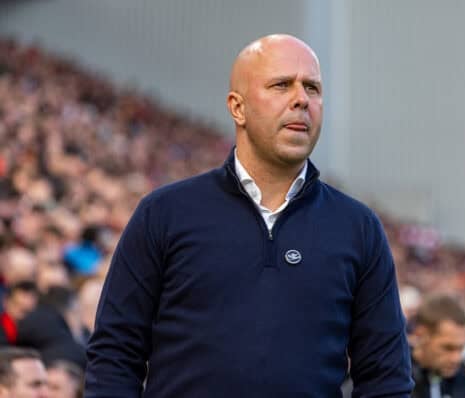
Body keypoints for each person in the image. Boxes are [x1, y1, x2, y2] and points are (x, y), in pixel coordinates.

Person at [85, 33, 414, 397]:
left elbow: (386, 378)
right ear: (237, 107)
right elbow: (115, 353)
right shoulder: (164, 214)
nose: (301, 99)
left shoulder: (359, 228)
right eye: (280, 85)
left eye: (313, 88)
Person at [409, 293, 465, 398]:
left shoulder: (461, 381)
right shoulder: (397, 378)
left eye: (461, 348)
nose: (456, 358)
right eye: (448, 348)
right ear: (421, 334)